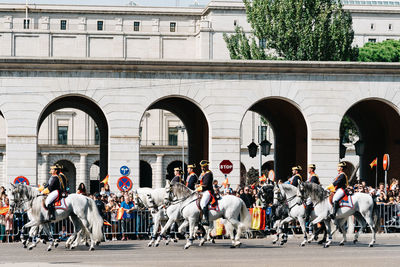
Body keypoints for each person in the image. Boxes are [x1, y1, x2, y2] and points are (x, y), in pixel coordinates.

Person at [197, 160, 214, 226]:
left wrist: (198, 187)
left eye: (204, 167)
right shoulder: (202, 174)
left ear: (207, 166)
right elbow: (198, 182)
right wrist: (197, 185)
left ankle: (206, 220)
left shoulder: (209, 173)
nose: (202, 168)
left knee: (203, 203)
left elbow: (205, 184)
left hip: (207, 191)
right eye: (201, 167)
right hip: (201, 191)